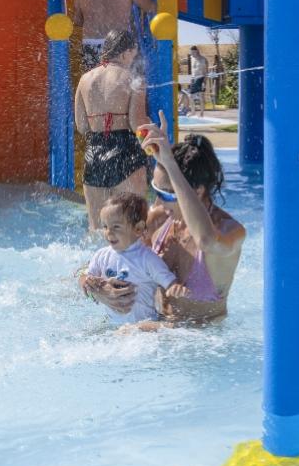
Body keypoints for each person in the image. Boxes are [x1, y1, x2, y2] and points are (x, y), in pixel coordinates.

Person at [81, 112, 246, 325]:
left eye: (166, 194)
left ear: (196, 192)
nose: (157, 202)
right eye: (155, 190)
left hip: (200, 340)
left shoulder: (231, 231)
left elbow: (205, 241)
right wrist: (95, 288)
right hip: (153, 327)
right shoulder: (158, 219)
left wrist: (169, 163)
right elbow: (91, 265)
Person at [75, 30, 150, 230]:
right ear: (126, 52)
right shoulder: (134, 79)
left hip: (94, 153)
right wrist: (152, 132)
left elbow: (82, 126)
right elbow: (137, 124)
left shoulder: (85, 80)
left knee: (98, 228)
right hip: (126, 151)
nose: (133, 59)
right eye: (133, 55)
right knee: (134, 225)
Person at [86, 193, 176, 325]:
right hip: (112, 327)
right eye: (105, 226)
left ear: (138, 228)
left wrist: (175, 288)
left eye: (116, 226)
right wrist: (93, 284)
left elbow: (168, 282)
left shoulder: (147, 258)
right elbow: (87, 279)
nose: (108, 232)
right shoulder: (101, 256)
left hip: (143, 329)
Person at [188, 45, 208, 117]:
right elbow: (192, 70)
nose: (192, 54)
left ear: (196, 51)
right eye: (191, 52)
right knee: (190, 96)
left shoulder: (203, 59)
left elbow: (205, 72)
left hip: (200, 78)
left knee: (201, 96)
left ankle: (201, 113)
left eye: (193, 52)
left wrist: (204, 82)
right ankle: (193, 112)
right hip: (193, 78)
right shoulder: (191, 58)